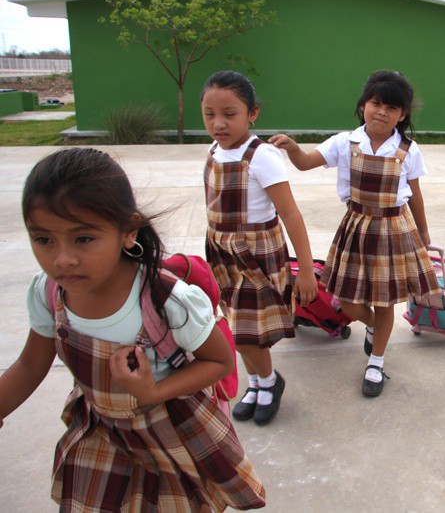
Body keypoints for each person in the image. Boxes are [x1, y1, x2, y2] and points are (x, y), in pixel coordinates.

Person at [0, 148, 266, 511]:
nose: (62, 259)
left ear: (128, 231)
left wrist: (155, 390)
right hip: (102, 433)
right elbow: (30, 366)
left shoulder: (165, 299)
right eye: (43, 239)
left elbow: (219, 362)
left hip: (169, 432)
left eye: (83, 239)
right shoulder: (48, 293)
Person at [269, 70, 439, 397]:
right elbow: (305, 162)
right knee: (345, 301)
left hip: (394, 230)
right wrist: (292, 148)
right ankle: (374, 326)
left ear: (402, 115)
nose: (382, 112)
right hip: (356, 228)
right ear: (363, 105)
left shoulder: (408, 149)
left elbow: (415, 193)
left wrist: (424, 233)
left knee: (386, 301)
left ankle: (376, 361)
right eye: (376, 103)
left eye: (392, 108)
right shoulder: (344, 143)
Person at [201, 71, 317, 425]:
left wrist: (308, 270)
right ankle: (255, 382)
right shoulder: (212, 151)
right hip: (221, 252)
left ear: (253, 113)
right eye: (209, 114)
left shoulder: (262, 156)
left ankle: (269, 382)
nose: (218, 123)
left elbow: (291, 214)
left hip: (255, 254)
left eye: (229, 113)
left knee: (246, 332)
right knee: (238, 326)